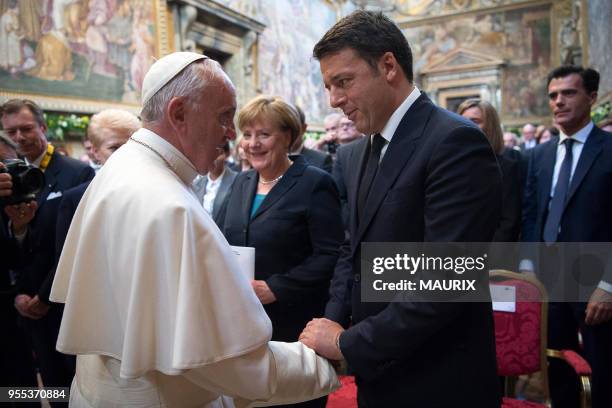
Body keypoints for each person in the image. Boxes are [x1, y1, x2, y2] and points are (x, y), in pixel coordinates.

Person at [50, 52, 338, 407]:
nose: (232, 135)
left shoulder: (124, 165)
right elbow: (233, 365)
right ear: (179, 113)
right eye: (223, 117)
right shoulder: (169, 205)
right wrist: (327, 362)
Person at [299, 10, 502, 407]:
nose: (334, 100)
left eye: (343, 82)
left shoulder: (454, 143)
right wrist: (334, 318)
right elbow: (351, 250)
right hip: (382, 375)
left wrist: (347, 342)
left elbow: (445, 282)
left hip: (439, 378)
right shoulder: (357, 152)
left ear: (388, 66)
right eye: (328, 86)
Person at [221, 95, 343, 408]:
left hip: (293, 325)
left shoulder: (315, 183)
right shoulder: (241, 182)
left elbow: (331, 255)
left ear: (288, 136)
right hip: (243, 323)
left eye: (263, 134)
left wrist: (276, 288)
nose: (252, 144)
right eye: (247, 135)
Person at [521, 66, 612, 408]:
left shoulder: (608, 149)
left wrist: (609, 285)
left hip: (596, 285)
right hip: (548, 282)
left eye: (569, 93)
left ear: (592, 97)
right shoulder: (540, 155)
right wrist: (528, 266)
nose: (558, 102)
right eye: (553, 96)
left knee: (602, 374)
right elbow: (531, 214)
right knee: (556, 369)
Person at [1, 99, 95, 393]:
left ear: (42, 127)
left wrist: (44, 297)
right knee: (46, 388)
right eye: (11, 131)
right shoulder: (5, 178)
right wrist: (19, 294)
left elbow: (79, 243)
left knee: (77, 387)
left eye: (26, 129)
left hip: (63, 304)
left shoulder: (76, 172)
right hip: (22, 305)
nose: (19, 137)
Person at [55, 108, 141, 269]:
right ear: (95, 151)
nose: (127, 153)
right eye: (115, 148)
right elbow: (66, 264)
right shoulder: (75, 199)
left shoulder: (155, 194)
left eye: (133, 145)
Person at [458, 98, 522, 241]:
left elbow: (509, 222)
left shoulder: (507, 167)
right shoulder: (451, 165)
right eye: (461, 120)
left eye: (475, 121)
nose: (465, 125)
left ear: (490, 126)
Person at [192, 142, 238, 226]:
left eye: (218, 153)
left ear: (226, 155)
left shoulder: (237, 181)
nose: (213, 158)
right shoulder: (197, 184)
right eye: (208, 154)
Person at [290, 105, 333, 173]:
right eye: (283, 128)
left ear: (304, 128)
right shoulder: (270, 160)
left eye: (293, 127)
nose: (288, 133)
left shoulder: (321, 160)